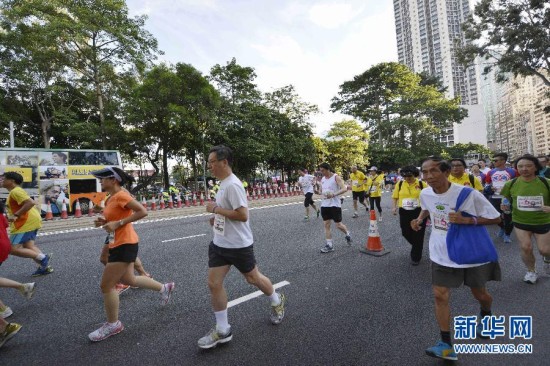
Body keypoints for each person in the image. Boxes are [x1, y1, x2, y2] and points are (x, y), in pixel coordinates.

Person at [411, 156, 501, 362]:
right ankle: (446, 344)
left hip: (469, 253)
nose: (428, 176)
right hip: (440, 252)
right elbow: (427, 207)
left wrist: (468, 220)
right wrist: (419, 219)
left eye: (433, 171)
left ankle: (486, 315)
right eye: (424, 172)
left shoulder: (467, 194)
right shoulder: (425, 192)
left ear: (446, 172)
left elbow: (496, 217)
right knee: (440, 295)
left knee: (481, 294)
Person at [199, 145, 286, 349]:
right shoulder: (223, 184)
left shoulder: (233, 185)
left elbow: (242, 215)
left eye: (212, 162)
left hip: (238, 246)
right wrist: (217, 216)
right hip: (220, 243)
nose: (209, 166)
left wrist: (216, 208)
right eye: (209, 163)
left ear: (224, 162)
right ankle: (223, 330)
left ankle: (276, 299)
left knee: (253, 278)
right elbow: (229, 212)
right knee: (214, 283)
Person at [88, 167, 174, 342]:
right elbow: (117, 216)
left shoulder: (121, 195)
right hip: (119, 242)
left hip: (125, 244)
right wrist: (105, 222)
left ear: (114, 180)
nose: (100, 181)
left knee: (107, 286)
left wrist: (117, 223)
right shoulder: (111, 197)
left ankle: (113, 324)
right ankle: (164, 288)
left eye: (103, 178)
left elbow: (142, 211)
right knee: (130, 280)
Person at [501, 154, 550, 284]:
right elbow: (506, 198)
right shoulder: (511, 183)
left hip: (543, 221)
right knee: (525, 247)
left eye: (528, 166)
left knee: (545, 250)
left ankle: (547, 259)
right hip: (520, 221)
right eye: (520, 166)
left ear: (535, 167)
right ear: (516, 168)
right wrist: (504, 203)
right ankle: (531, 271)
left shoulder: (546, 183)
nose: (524, 169)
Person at [2, 172, 52, 276]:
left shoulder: (15, 191)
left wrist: (16, 215)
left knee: (11, 249)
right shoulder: (15, 191)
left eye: (3, 179)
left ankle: (43, 258)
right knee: (29, 246)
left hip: (24, 223)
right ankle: (44, 268)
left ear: (12, 181)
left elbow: (30, 202)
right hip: (31, 220)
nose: (1, 180)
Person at [391, 166, 426, 265]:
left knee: (418, 233)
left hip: (418, 211)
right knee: (405, 232)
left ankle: (416, 257)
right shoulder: (400, 183)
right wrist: (394, 207)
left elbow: (428, 198)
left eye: (409, 176)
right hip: (404, 211)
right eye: (405, 176)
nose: (407, 178)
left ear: (415, 174)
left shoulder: (422, 184)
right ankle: (417, 246)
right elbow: (395, 197)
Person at [317, 162, 352, 253]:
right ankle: (329, 245)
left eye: (323, 170)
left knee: (338, 225)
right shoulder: (323, 179)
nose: (322, 172)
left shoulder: (336, 177)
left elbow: (344, 188)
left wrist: (334, 194)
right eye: (320, 171)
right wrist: (316, 190)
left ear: (328, 169)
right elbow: (321, 191)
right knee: (326, 225)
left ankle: (347, 233)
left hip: (334, 205)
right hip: (324, 204)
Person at [485, 152, 517, 244]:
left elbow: (517, 184)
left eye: (496, 160)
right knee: (494, 216)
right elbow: (487, 184)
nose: (494, 162)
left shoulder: (512, 171)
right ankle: (502, 227)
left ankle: (507, 234)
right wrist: (490, 188)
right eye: (493, 160)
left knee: (508, 216)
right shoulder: (490, 172)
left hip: (506, 198)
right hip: (494, 197)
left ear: (503, 161)